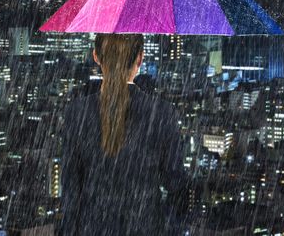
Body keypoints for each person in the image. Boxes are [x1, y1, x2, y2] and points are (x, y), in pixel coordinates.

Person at [58, 34, 191, 235]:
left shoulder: (76, 113)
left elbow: (70, 191)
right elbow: (177, 185)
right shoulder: (161, 113)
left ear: (96, 56)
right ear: (140, 58)